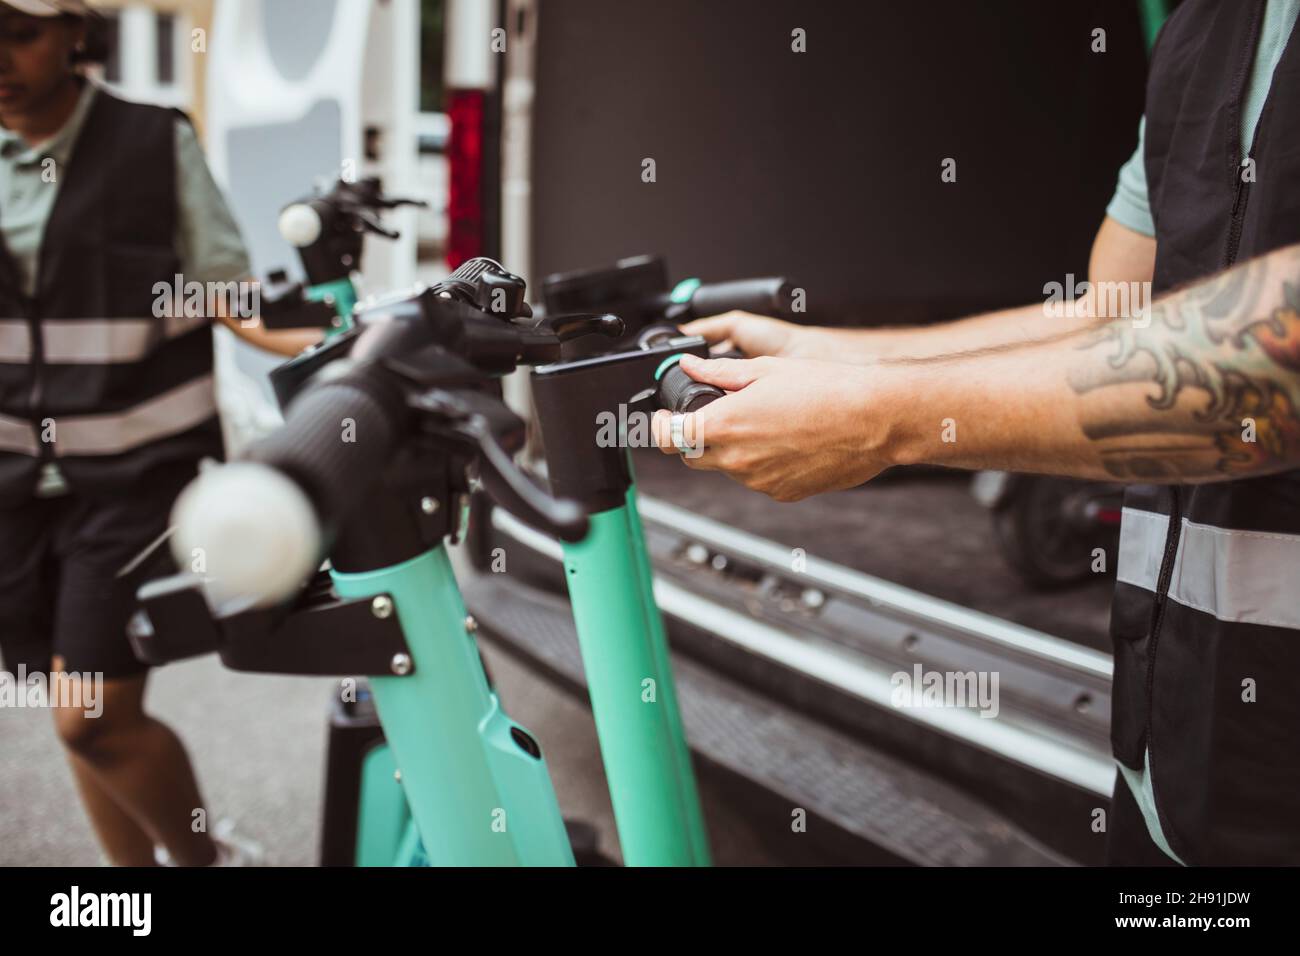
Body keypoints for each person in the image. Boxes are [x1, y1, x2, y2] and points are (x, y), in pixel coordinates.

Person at [655, 0, 1300, 866]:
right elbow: (1114, 315)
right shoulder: (1205, 30)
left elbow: (1275, 373)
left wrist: (881, 422)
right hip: (1172, 787)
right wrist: (838, 358)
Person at [0, 0, 316, 865]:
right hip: (12, 496)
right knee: (79, 723)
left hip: (132, 479)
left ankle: (207, 860)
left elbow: (223, 290)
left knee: (90, 714)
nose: (1, 55)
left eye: (19, 32)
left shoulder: (150, 142)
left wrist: (335, 341)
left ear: (75, 31)